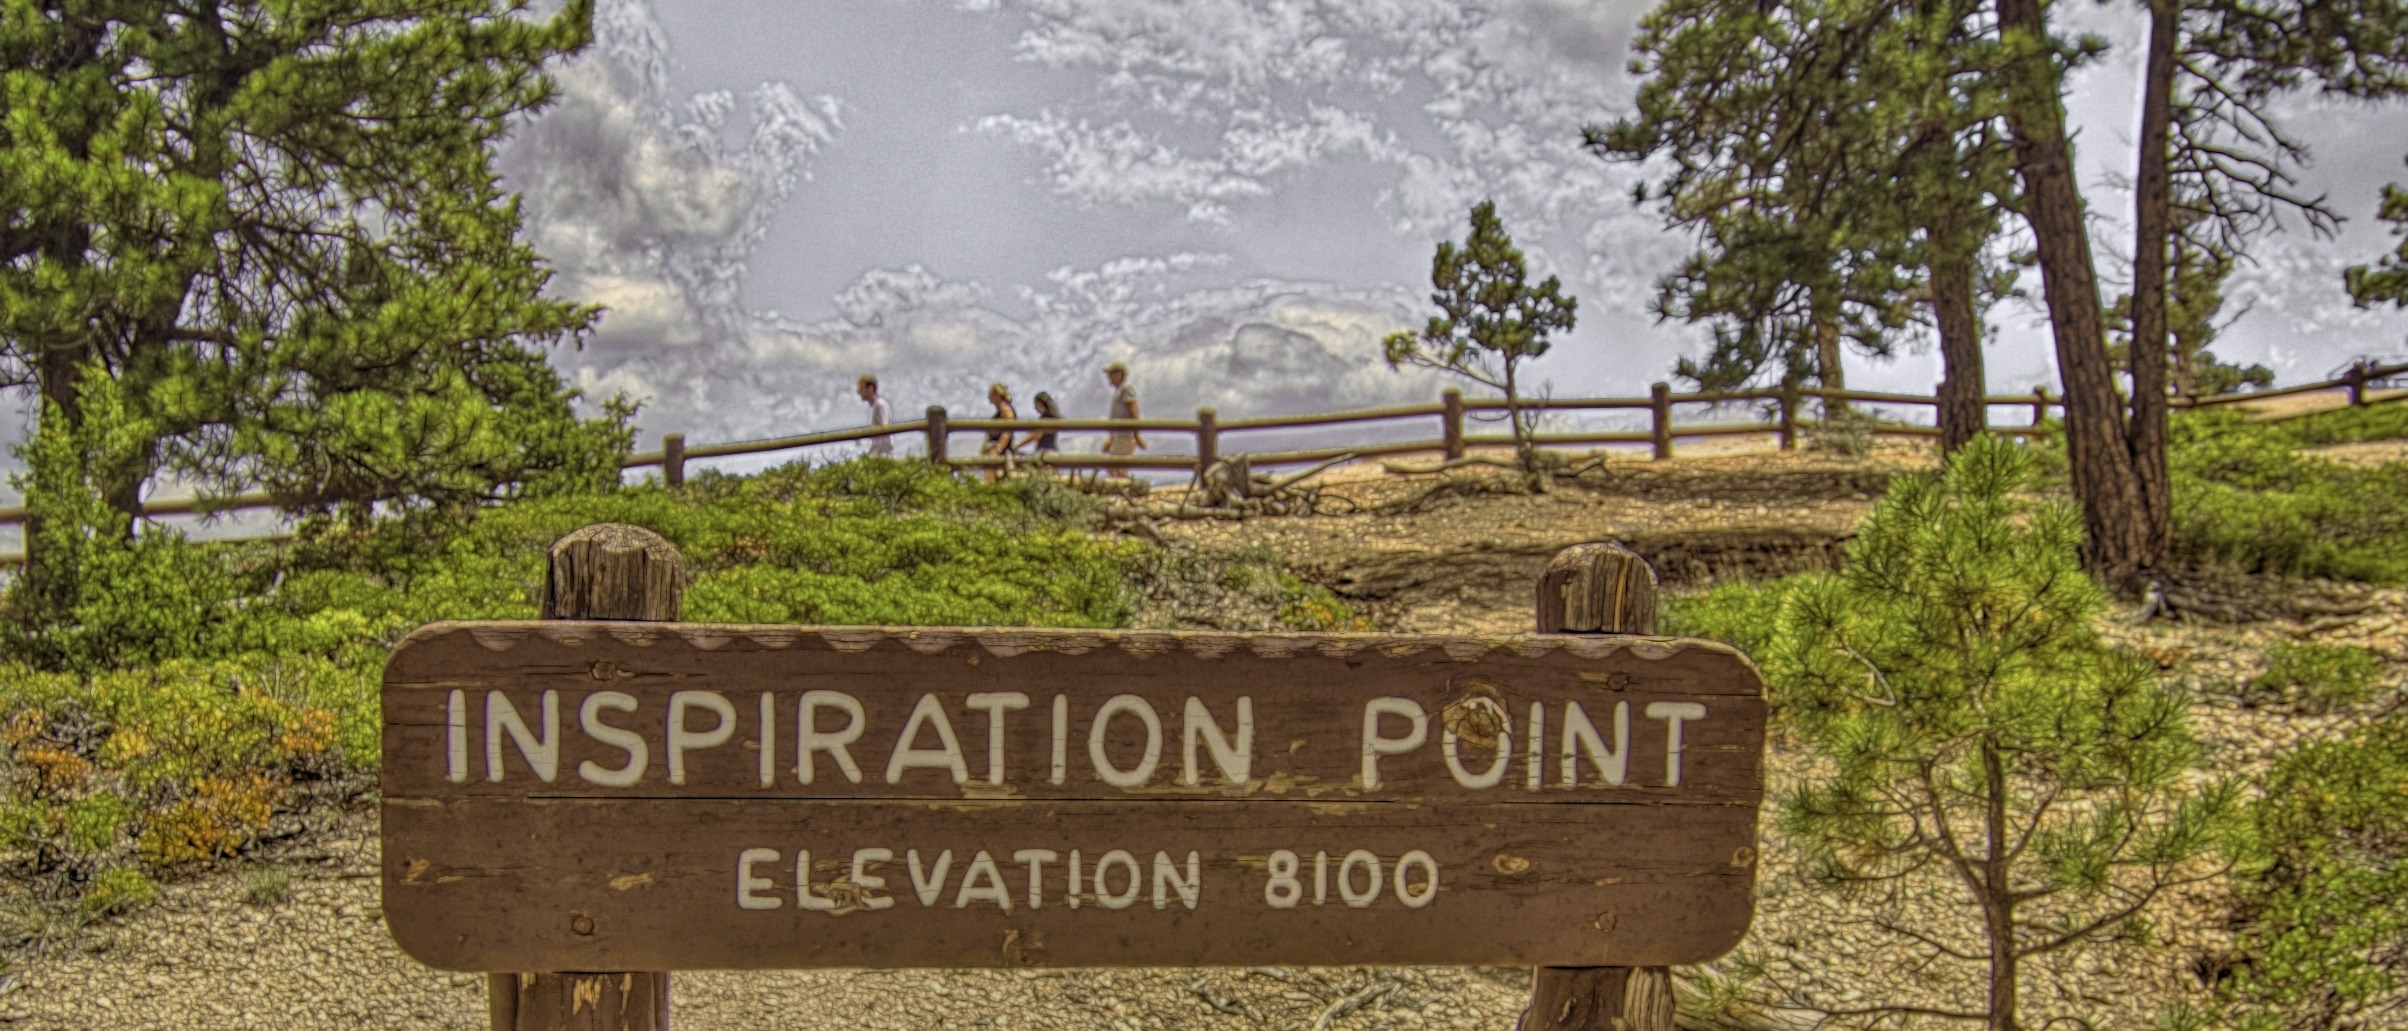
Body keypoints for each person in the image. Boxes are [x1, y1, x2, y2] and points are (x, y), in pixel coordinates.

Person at [1102, 360, 1143, 477]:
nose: (1109, 378)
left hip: (1124, 436)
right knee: (1116, 467)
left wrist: (1136, 435)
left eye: (1111, 374)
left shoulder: (1126, 390)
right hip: (1119, 436)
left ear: (1119, 375)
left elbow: (1134, 412)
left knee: (1115, 466)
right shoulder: (1120, 392)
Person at [981, 382, 1020, 481]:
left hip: (999, 449)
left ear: (997, 395)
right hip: (996, 448)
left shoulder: (1005, 409)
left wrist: (998, 449)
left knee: (992, 477)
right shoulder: (1001, 409)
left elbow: (1007, 431)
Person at [858, 375, 893, 457]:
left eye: (862, 389)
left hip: (884, 453)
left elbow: (885, 426)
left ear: (870, 388)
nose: (859, 392)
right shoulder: (873, 407)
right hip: (877, 452)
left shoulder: (880, 405)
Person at [1026, 391, 1062, 457]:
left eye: (1035, 404)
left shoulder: (1046, 417)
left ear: (1039, 404)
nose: (1034, 407)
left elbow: (1037, 435)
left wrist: (1017, 444)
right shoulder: (1052, 415)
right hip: (1052, 450)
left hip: (1045, 452)